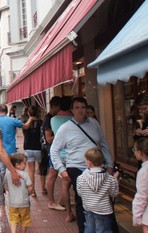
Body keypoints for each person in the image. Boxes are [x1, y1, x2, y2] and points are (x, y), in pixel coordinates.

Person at [50, 96, 114, 233]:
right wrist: (61, 169)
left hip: (97, 167)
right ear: (72, 110)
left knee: (103, 199)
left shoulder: (94, 124)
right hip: (77, 167)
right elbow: (54, 150)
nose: (80, 111)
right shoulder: (65, 128)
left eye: (83, 107)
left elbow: (103, 144)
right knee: (82, 201)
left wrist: (109, 164)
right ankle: (85, 229)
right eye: (77, 108)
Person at [77, 148, 119, 233]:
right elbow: (114, 193)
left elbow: (80, 193)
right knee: (104, 230)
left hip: (88, 209)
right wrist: (115, 180)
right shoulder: (109, 179)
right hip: (104, 210)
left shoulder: (81, 178)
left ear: (89, 163)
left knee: (89, 229)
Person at [50, 96, 74, 220]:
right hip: (72, 154)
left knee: (65, 183)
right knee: (73, 182)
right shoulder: (73, 119)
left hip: (59, 154)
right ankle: (68, 205)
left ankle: (68, 211)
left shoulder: (53, 119)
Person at [43, 96, 64, 211]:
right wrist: (63, 134)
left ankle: (61, 200)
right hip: (53, 150)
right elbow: (49, 138)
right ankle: (51, 202)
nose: (61, 110)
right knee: (52, 175)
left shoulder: (53, 117)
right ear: (54, 106)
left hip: (56, 150)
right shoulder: (49, 119)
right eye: (59, 107)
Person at [4, 153, 33, 233]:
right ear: (17, 165)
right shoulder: (25, 175)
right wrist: (28, 194)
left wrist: (11, 190)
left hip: (12, 203)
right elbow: (30, 188)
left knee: (13, 220)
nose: (25, 165)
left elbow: (5, 186)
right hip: (24, 202)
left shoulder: (8, 174)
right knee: (25, 220)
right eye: (24, 163)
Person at [22, 105, 46, 198]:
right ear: (38, 113)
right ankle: (43, 188)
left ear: (28, 113)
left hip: (28, 148)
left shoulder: (25, 123)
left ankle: (32, 191)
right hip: (39, 149)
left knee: (31, 170)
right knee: (41, 169)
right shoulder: (41, 122)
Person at [132, 137, 148, 232]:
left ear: (140, 152)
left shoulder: (144, 171)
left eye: (134, 150)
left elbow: (141, 196)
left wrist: (137, 217)